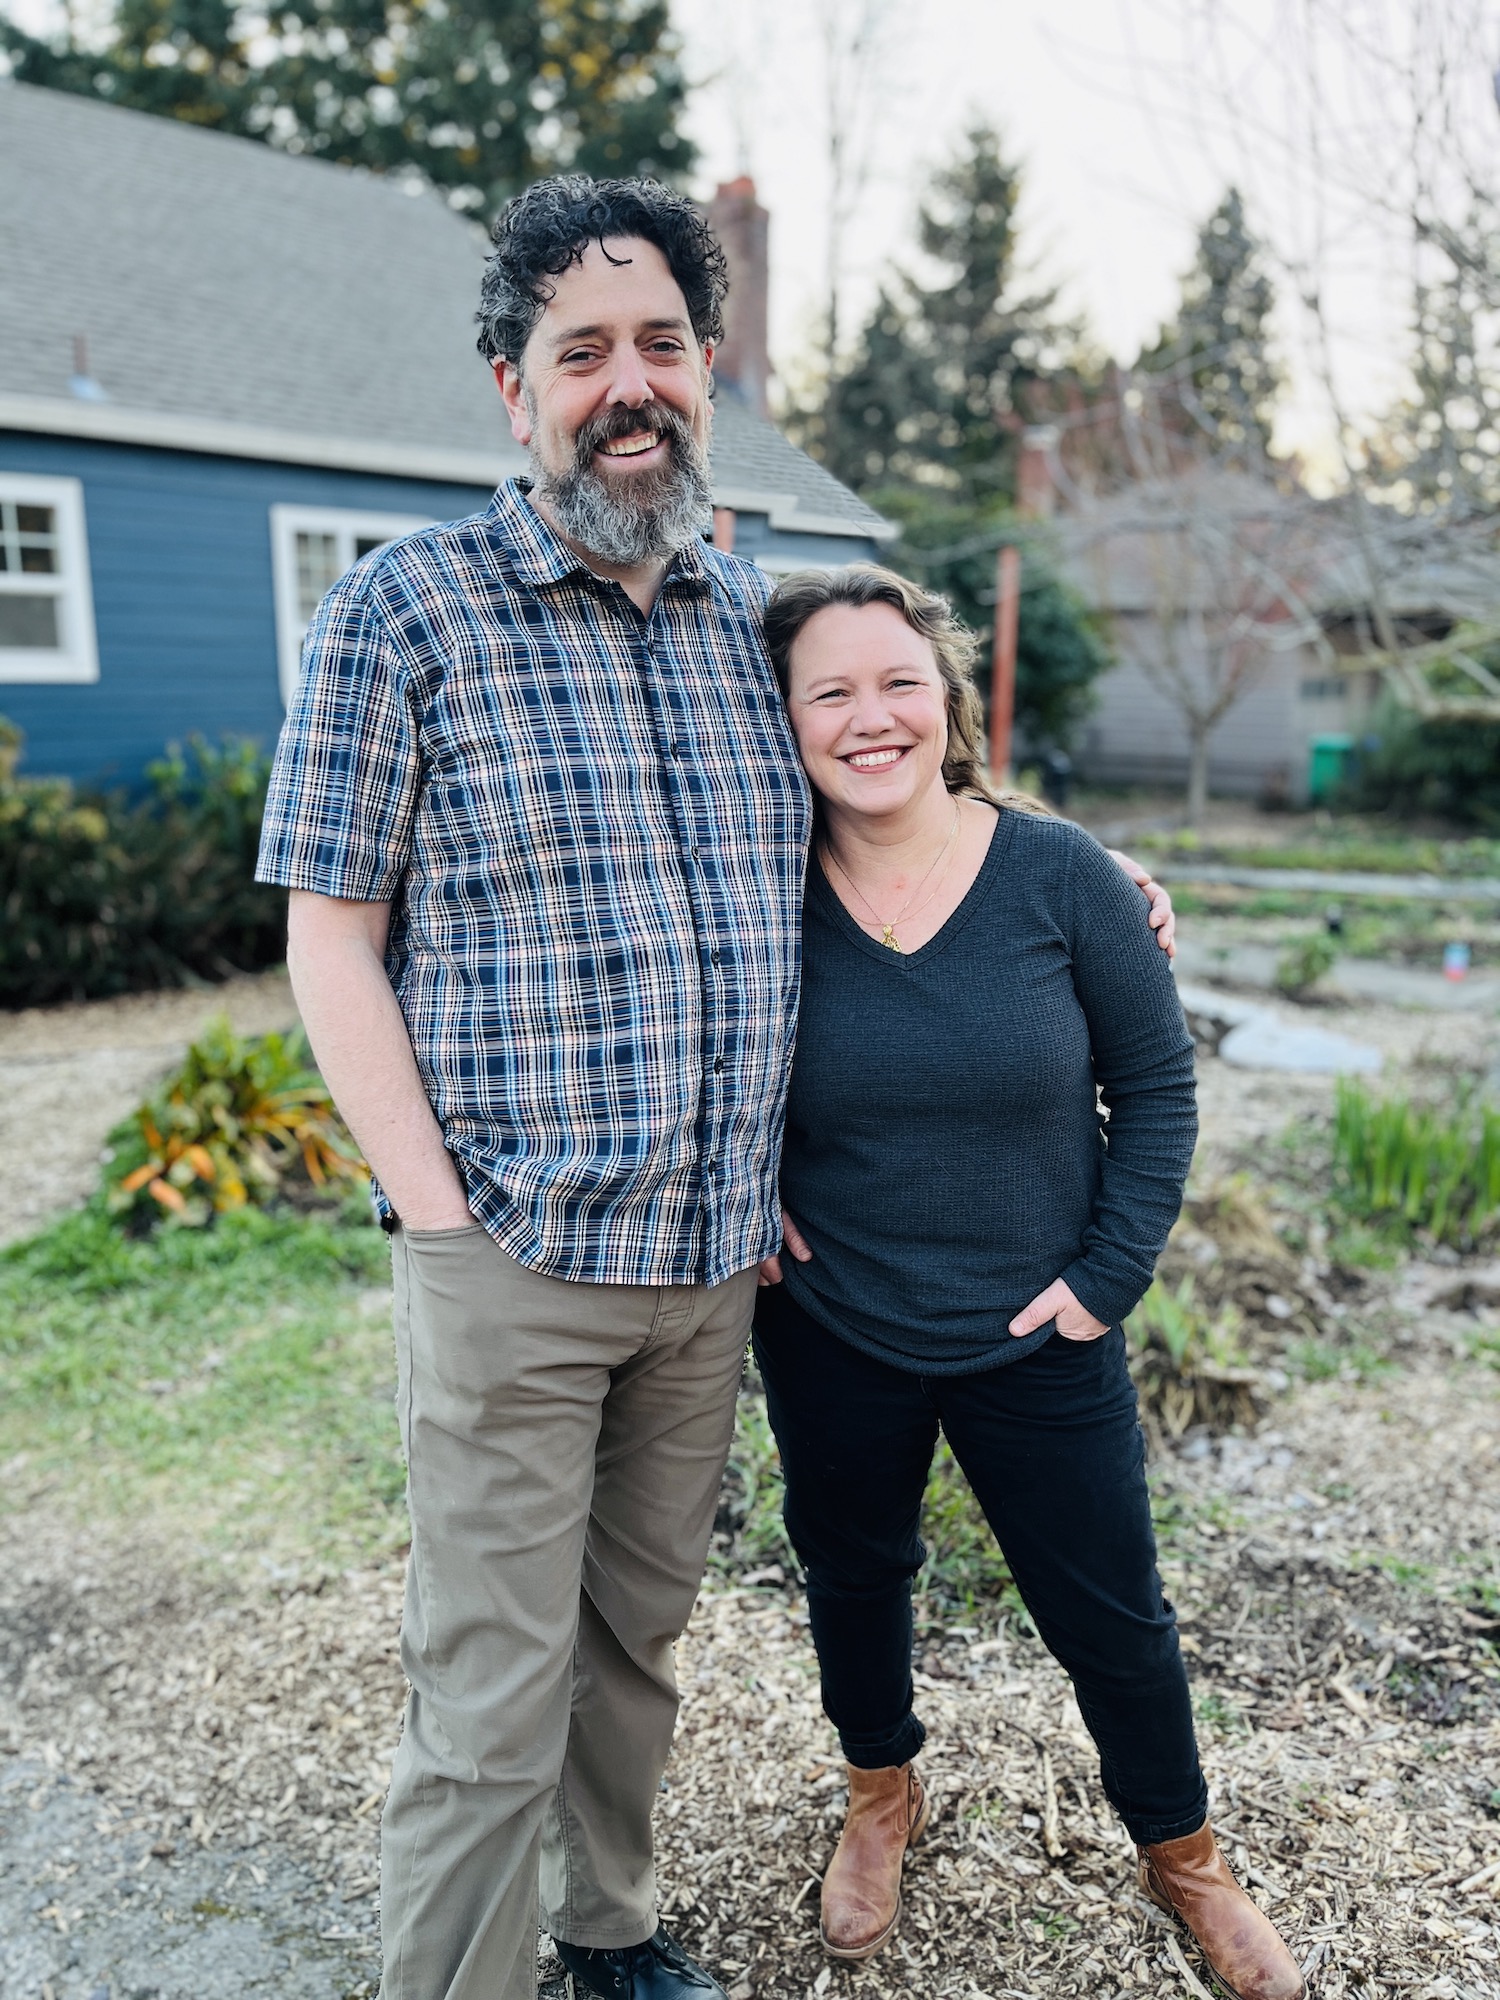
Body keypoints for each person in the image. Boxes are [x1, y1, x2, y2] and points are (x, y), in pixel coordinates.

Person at [255, 174, 1178, 2000]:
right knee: (488, 1687)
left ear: (705, 371)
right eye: (579, 350)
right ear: (508, 386)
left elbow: (900, 784)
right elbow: (328, 937)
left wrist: (1086, 881)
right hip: (512, 1251)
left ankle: (605, 1929)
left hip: (718, 1272)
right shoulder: (404, 617)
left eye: (663, 344)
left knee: (638, 1644)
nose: (629, 384)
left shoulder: (751, 629)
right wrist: (438, 1221)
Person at [753, 566, 1304, 2000]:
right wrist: (744, 1197)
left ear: (947, 699)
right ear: (786, 718)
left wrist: (1105, 1281)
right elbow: (696, 1051)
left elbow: (1160, 1091)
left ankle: (1186, 1856)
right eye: (830, 691)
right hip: (832, 1327)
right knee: (854, 1573)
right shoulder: (753, 883)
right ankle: (883, 1795)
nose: (870, 717)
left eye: (898, 683)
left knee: (1111, 1613)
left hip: (1038, 1332)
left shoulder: (1063, 876)